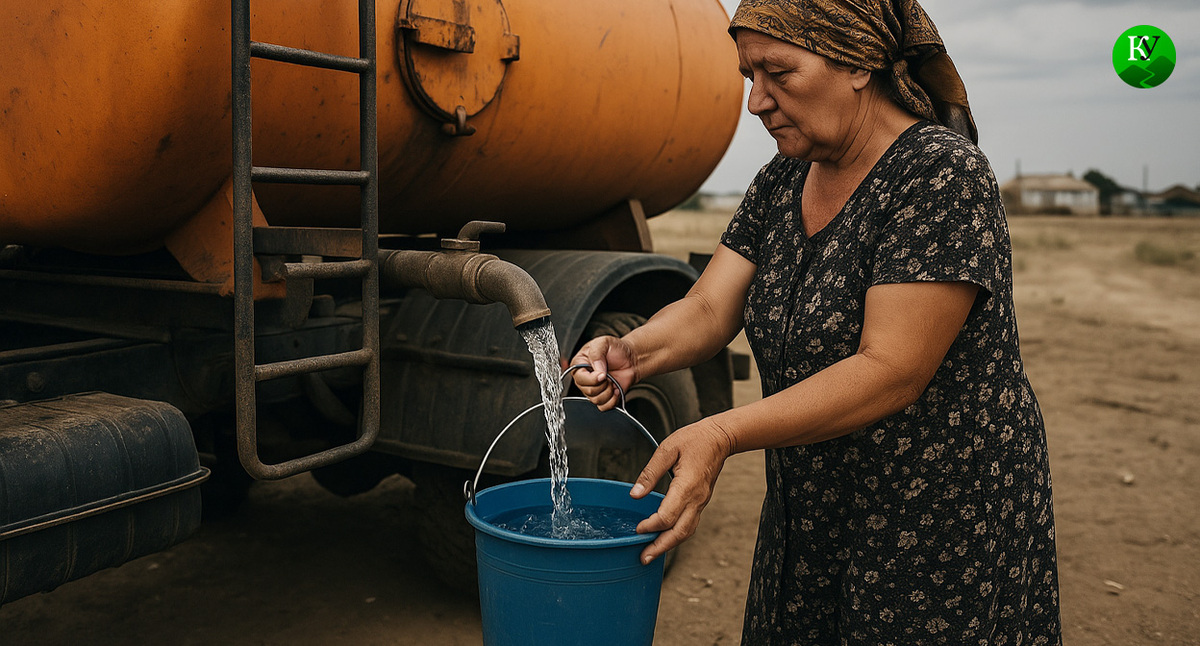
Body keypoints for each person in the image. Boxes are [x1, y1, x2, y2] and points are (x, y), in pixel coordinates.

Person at [569, 0, 1062, 643]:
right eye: (749, 76)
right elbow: (709, 307)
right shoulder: (784, 178)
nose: (757, 102)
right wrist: (634, 352)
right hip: (813, 508)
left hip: (935, 519)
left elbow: (892, 369)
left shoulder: (941, 175)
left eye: (779, 72)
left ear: (858, 63)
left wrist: (721, 431)